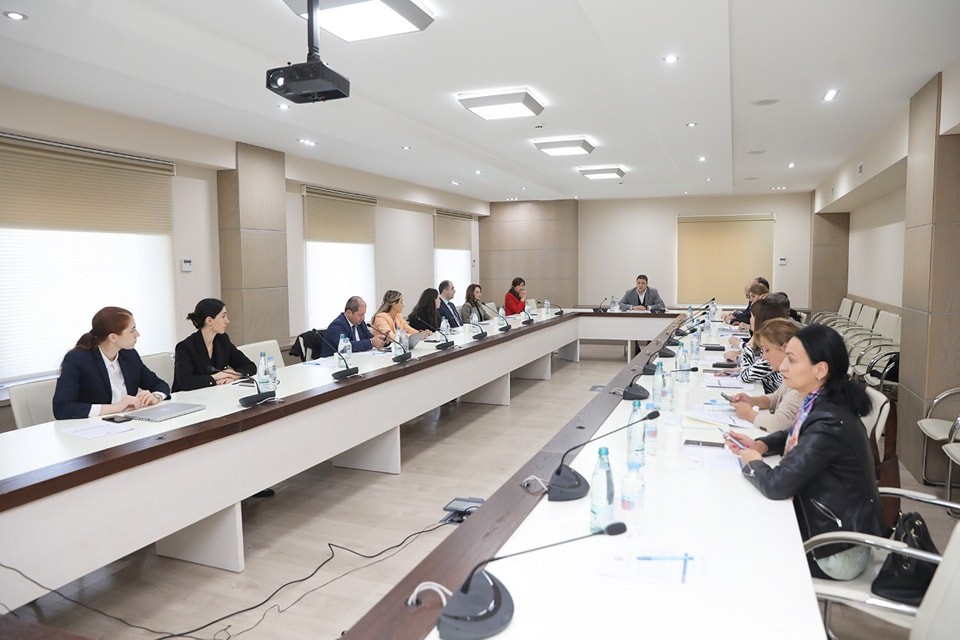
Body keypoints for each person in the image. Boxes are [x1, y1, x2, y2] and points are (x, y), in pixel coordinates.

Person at [727, 324, 885, 580]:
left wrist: (753, 462)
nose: (782, 367)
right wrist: (762, 445)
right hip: (827, 528)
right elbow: (796, 433)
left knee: (742, 546)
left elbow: (777, 485)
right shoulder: (821, 400)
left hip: (834, 550)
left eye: (791, 360)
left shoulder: (830, 420)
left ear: (820, 370)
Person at [53, 306, 170, 419]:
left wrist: (155, 396)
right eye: (132, 330)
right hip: (95, 427)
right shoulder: (77, 359)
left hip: (130, 422)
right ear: (113, 337)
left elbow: (159, 384)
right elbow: (62, 408)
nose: (137, 334)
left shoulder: (129, 355)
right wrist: (115, 408)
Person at [728, 318, 802, 432]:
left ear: (785, 348)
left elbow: (779, 424)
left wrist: (749, 414)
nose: (764, 357)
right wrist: (752, 400)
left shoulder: (801, 382)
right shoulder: (789, 372)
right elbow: (776, 398)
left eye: (767, 350)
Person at [173, 298, 256, 392]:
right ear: (209, 320)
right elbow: (185, 382)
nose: (227, 321)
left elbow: (249, 366)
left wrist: (235, 375)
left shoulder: (222, 340)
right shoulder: (185, 347)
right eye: (223, 316)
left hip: (214, 394)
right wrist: (216, 377)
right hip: (187, 398)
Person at [726, 296, 790, 393]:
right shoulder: (769, 343)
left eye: (752, 316)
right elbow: (756, 368)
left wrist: (749, 347)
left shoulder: (773, 348)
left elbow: (745, 376)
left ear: (760, 320)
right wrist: (738, 370)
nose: (750, 320)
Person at [319, 296, 386, 357]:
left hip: (357, 360)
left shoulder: (360, 323)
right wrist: (371, 342)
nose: (363, 318)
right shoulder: (337, 326)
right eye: (360, 315)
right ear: (349, 312)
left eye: (364, 314)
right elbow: (346, 346)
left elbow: (370, 338)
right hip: (335, 363)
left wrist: (381, 340)